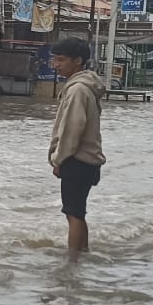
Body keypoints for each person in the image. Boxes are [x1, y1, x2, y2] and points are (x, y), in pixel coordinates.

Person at [47, 37, 107, 259]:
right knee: (78, 213)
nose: (56, 64)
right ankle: (82, 253)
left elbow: (72, 129)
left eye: (61, 60)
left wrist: (59, 159)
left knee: (73, 214)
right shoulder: (85, 86)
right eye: (55, 60)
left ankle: (72, 263)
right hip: (88, 160)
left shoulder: (77, 90)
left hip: (77, 159)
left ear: (78, 61)